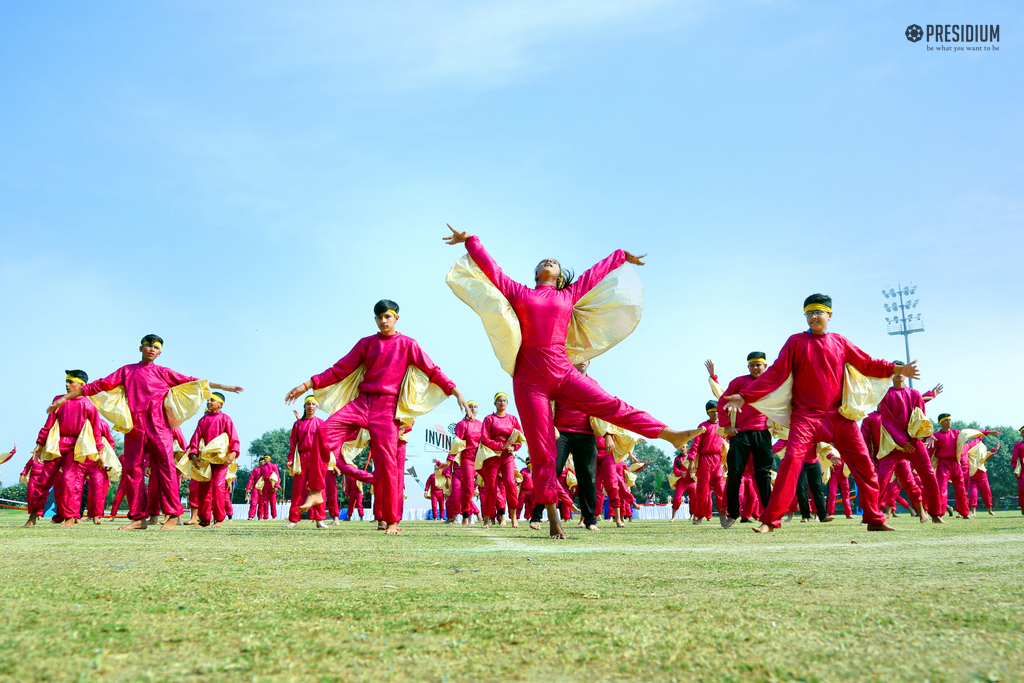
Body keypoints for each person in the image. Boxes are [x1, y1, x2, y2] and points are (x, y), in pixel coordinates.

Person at [444, 226, 702, 539]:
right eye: (544, 261)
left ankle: (669, 433)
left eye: (554, 262)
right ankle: (552, 517)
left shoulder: (569, 294)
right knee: (542, 452)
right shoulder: (519, 292)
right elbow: (492, 270)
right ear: (537, 272)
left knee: (611, 405)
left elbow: (595, 274)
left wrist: (620, 256)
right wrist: (471, 240)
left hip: (563, 371)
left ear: (560, 276)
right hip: (529, 381)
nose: (549, 262)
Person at [722, 294, 915, 533]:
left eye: (818, 312)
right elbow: (776, 373)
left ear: (829, 315)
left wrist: (897, 368)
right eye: (809, 313)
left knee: (864, 464)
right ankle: (770, 520)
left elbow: (867, 363)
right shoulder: (795, 342)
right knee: (791, 461)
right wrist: (746, 395)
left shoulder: (840, 342)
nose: (813, 317)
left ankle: (875, 519)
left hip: (839, 416)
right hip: (806, 416)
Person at [285, 300, 468, 535]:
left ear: (396, 318)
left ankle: (391, 521)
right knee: (322, 431)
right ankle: (316, 490)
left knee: (388, 466)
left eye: (387, 317)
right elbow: (340, 369)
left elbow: (433, 371)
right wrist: (306, 385)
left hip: (386, 408)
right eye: (379, 317)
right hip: (362, 403)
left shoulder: (408, 344)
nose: (383, 321)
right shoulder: (366, 343)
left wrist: (455, 391)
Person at [50, 334, 243, 530]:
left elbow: (194, 382)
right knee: (132, 471)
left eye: (156, 347)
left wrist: (223, 387)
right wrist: (65, 398)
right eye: (148, 346)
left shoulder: (162, 372)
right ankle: (139, 518)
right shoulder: (126, 371)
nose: (152, 349)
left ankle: (173, 514)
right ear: (140, 348)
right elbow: (97, 386)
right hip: (135, 427)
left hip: (160, 427)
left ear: (159, 353)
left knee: (167, 468)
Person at [32, 370, 105, 527]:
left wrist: (99, 453)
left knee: (68, 481)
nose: (67, 384)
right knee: (43, 481)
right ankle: (32, 515)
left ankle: (70, 518)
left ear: (82, 385)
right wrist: (39, 444)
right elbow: (49, 423)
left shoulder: (89, 404)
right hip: (56, 445)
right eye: (66, 381)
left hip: (75, 448)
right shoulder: (58, 400)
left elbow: (96, 432)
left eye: (71, 382)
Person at [875, 365, 946, 523]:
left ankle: (935, 514)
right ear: (891, 376)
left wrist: (927, 434)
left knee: (929, 476)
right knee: (881, 478)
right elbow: (888, 421)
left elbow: (921, 416)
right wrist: (902, 441)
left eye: (902, 372)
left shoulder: (913, 394)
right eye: (896, 372)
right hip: (894, 445)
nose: (899, 375)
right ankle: (874, 514)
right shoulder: (885, 395)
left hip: (914, 443)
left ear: (906, 375)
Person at [716, 353, 774, 529]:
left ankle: (769, 517)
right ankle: (733, 515)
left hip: (762, 433)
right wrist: (726, 426)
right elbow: (721, 403)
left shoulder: (772, 382)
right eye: (752, 365)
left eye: (759, 365)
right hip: (740, 434)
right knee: (734, 474)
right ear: (748, 367)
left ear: (765, 366)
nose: (755, 368)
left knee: (763, 475)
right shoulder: (739, 382)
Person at [184, 392, 240, 528]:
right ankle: (204, 520)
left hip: (221, 460)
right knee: (203, 490)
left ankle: (219, 519)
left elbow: (234, 437)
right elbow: (196, 438)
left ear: (220, 404)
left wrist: (233, 453)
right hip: (205, 460)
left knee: (218, 487)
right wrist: (193, 455)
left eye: (212, 400)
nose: (209, 402)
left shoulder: (226, 419)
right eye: (208, 400)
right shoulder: (202, 420)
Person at [928, 414, 999, 518]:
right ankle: (939, 513)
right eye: (946, 420)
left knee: (961, 489)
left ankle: (964, 513)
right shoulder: (936, 436)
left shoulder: (956, 433)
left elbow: (971, 432)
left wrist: (987, 432)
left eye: (950, 420)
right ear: (941, 423)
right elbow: (928, 451)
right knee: (942, 489)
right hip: (943, 464)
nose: (949, 422)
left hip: (956, 463)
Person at [479, 393, 523, 529]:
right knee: (491, 488)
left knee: (511, 485)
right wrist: (500, 446)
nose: (502, 403)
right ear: (495, 403)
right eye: (499, 401)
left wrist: (513, 447)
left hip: (508, 457)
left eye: (504, 401)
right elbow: (485, 439)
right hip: (492, 457)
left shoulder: (513, 419)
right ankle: (487, 519)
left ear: (507, 403)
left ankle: (514, 518)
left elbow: (520, 438)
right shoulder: (489, 419)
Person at [286, 396, 328, 529]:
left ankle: (319, 519)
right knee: (298, 489)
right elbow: (293, 443)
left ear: (317, 407)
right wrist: (291, 458)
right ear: (304, 407)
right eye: (308, 404)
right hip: (302, 457)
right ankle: (293, 519)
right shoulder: (298, 424)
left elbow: (326, 443)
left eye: (313, 404)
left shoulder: (321, 423)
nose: (310, 406)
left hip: (316, 458)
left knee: (317, 488)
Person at [687, 400, 726, 525]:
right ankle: (700, 516)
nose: (716, 414)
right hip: (704, 460)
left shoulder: (723, 426)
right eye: (713, 412)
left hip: (718, 460)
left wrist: (726, 461)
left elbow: (726, 445)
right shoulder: (703, 427)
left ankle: (724, 514)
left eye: (717, 411)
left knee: (721, 488)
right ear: (708, 413)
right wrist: (692, 460)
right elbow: (695, 445)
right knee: (702, 490)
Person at [451, 401, 484, 525]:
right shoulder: (461, 425)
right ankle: (466, 515)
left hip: (479, 459)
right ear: (466, 409)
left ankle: (491, 517)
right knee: (469, 488)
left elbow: (485, 442)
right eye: (470, 407)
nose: (473, 409)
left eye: (475, 407)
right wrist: (450, 460)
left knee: (489, 485)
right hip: (467, 460)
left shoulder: (481, 425)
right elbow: (456, 443)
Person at [967, 439, 1000, 516]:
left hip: (983, 479)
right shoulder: (969, 458)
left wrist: (994, 450)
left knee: (987, 494)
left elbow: (987, 455)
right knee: (973, 495)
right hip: (973, 480)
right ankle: (974, 512)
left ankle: (990, 510)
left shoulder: (981, 459)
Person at [669, 449, 696, 522]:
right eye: (681, 447)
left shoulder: (693, 457)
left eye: (684, 447)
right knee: (677, 498)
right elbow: (675, 470)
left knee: (694, 499)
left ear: (687, 448)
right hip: (682, 481)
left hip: (691, 481)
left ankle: (693, 515)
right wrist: (681, 472)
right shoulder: (677, 458)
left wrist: (694, 474)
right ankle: (673, 517)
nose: (682, 449)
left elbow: (698, 468)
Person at [1012, 427, 1024, 514]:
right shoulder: (1018, 445)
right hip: (1022, 470)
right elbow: (1014, 459)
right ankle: (1023, 508)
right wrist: (1015, 470)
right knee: (1022, 490)